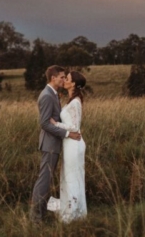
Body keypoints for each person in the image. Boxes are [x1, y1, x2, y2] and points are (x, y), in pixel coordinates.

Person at [31, 65, 81, 224]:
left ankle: (42, 214)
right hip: (49, 145)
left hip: (53, 144)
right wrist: (67, 134)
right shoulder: (46, 95)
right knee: (44, 181)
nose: (63, 79)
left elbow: (54, 120)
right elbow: (44, 123)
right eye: (61, 77)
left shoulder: (53, 94)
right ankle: (37, 219)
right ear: (53, 78)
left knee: (46, 180)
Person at [49, 71, 88, 223]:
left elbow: (74, 126)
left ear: (73, 84)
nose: (64, 80)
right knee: (68, 177)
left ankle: (73, 215)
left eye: (68, 78)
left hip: (74, 144)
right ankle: (72, 211)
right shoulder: (71, 101)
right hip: (69, 143)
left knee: (72, 178)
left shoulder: (76, 102)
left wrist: (55, 124)